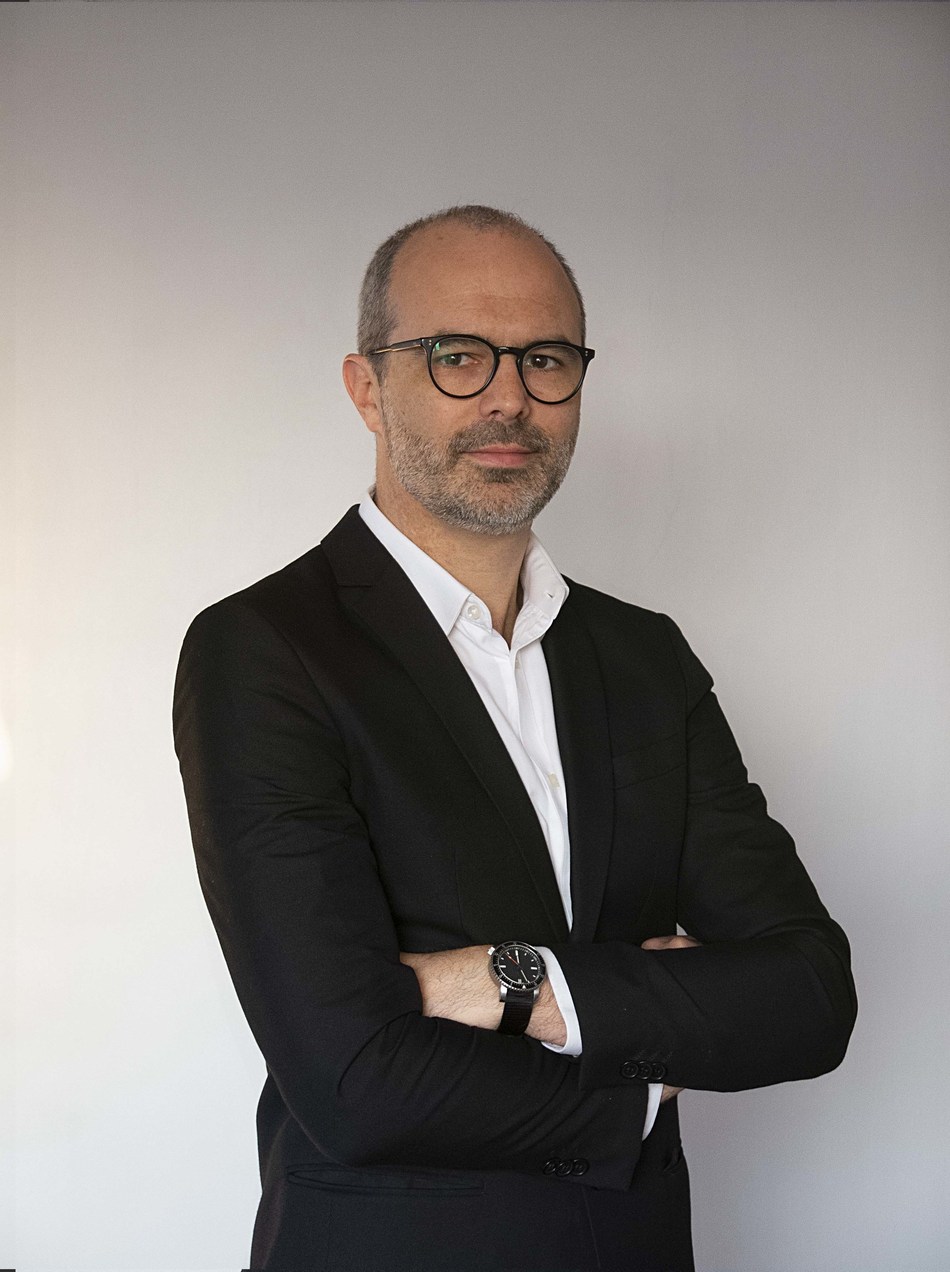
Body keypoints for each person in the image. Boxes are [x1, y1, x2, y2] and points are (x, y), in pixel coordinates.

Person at [173, 204, 856, 1272]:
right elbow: (351, 1080)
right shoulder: (264, 651)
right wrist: (644, 1075)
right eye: (457, 356)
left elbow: (809, 997)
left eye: (544, 359)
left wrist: (508, 982)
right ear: (367, 387)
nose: (507, 397)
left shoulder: (644, 659)